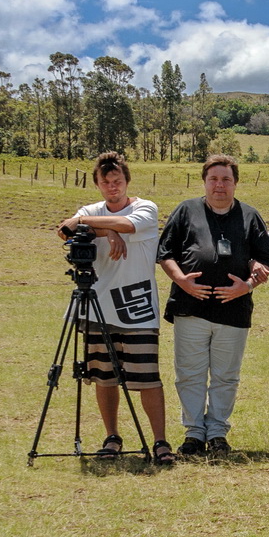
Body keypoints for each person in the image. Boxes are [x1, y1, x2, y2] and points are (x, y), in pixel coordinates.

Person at [57, 152, 173, 465]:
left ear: (126, 181)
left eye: (117, 181)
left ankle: (160, 441)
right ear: (97, 184)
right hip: (96, 307)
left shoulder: (145, 207)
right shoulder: (90, 211)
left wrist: (86, 223)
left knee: (147, 377)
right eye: (106, 182)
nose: (112, 187)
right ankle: (112, 437)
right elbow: (63, 231)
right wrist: (104, 231)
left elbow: (126, 224)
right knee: (103, 377)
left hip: (136, 307)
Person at [157, 154, 269, 456]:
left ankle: (218, 432)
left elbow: (265, 261)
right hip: (190, 307)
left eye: (226, 179)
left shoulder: (250, 216)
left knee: (226, 375)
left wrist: (246, 286)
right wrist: (181, 280)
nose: (219, 185)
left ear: (235, 182)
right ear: (204, 181)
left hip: (233, 310)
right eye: (214, 179)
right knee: (189, 374)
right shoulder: (186, 210)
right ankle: (194, 433)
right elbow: (165, 252)